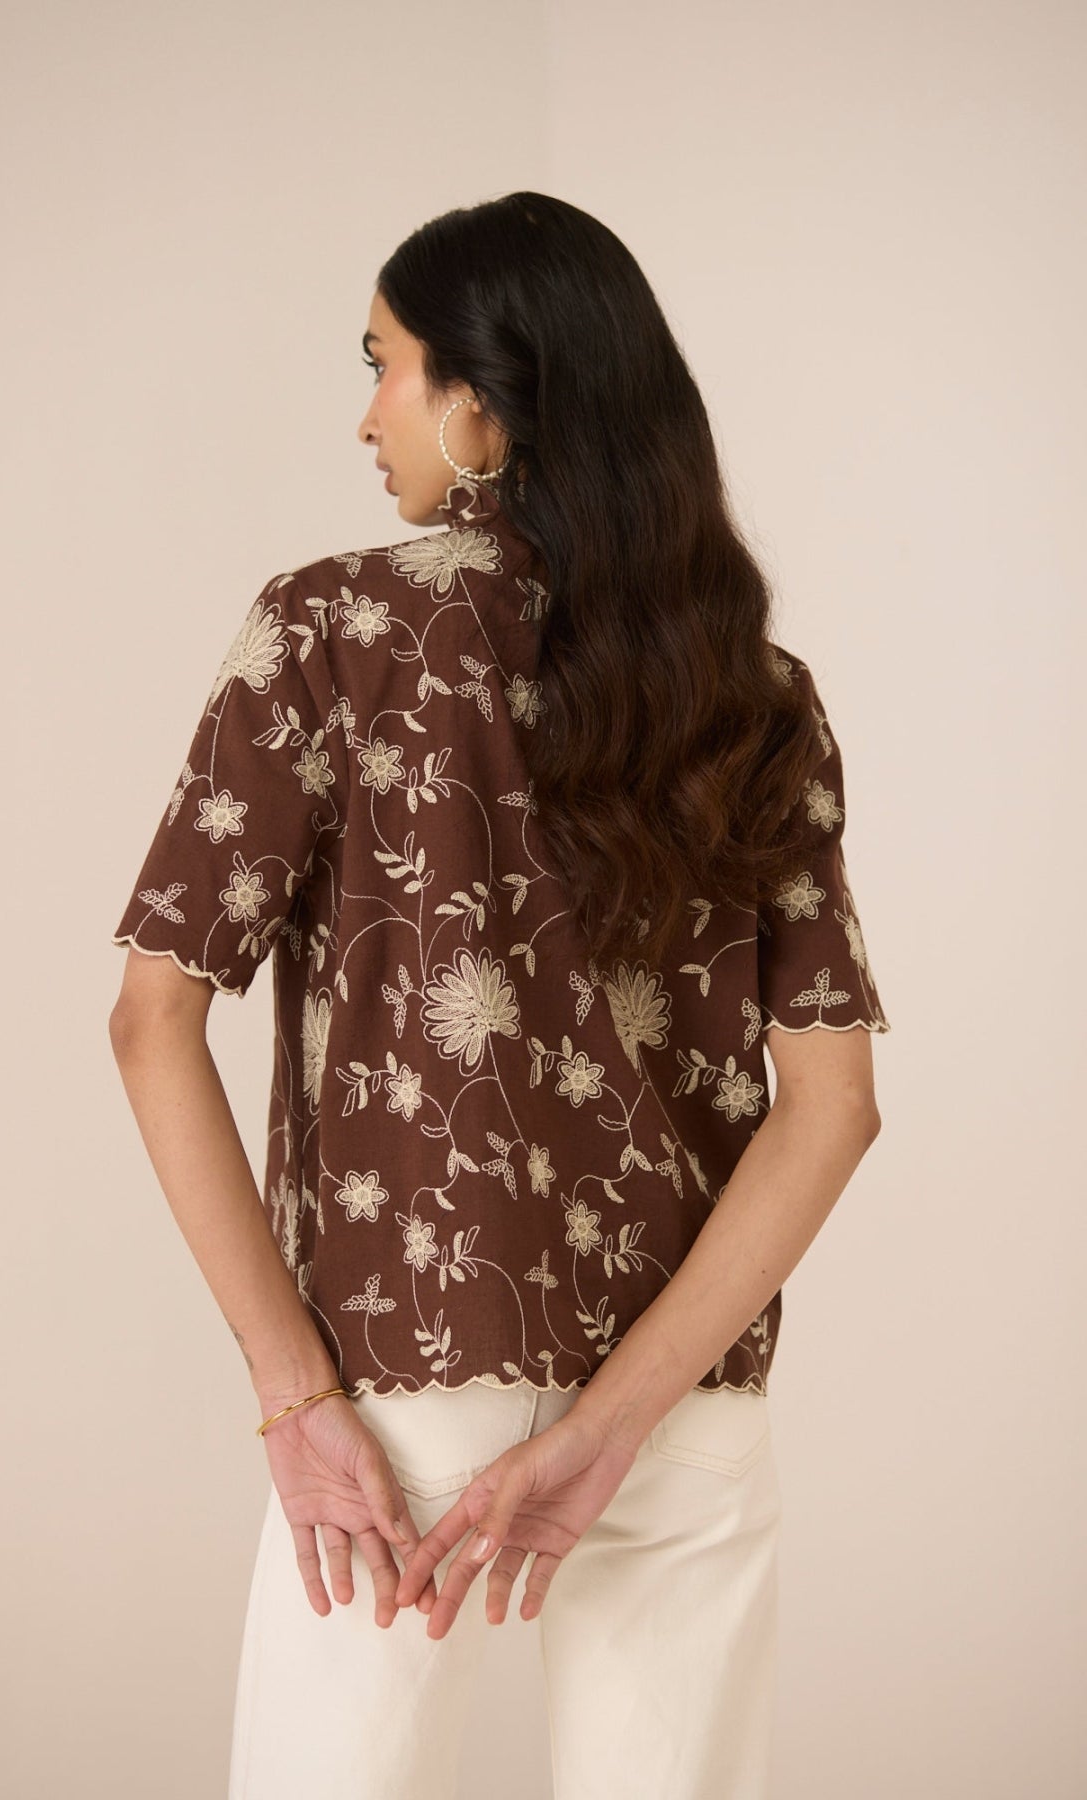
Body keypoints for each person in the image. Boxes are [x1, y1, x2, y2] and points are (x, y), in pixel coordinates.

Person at [108, 190, 891, 1800]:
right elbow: (835, 1107)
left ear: (481, 405)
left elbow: (152, 1016)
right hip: (680, 1404)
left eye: (384, 365)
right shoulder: (750, 689)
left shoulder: (332, 633)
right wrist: (608, 1430)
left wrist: (294, 1396)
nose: (364, 411)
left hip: (403, 1386)